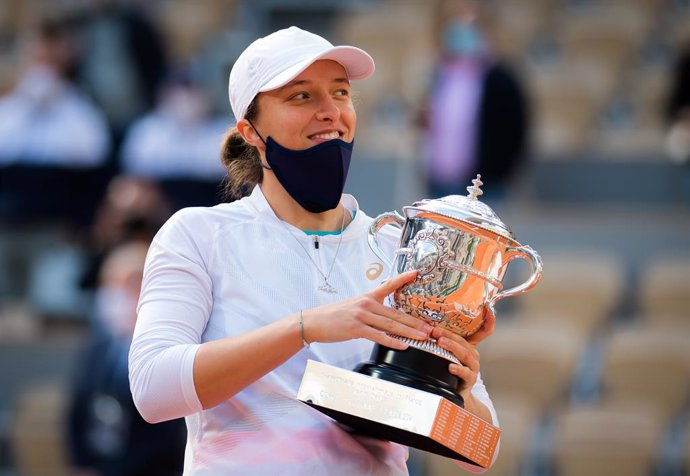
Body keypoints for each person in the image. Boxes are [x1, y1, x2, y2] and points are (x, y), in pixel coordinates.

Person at [129, 26, 498, 475]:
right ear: (250, 130)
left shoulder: (402, 248)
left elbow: (482, 451)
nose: (331, 112)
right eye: (301, 97)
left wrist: (457, 381)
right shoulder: (198, 234)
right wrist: (305, 328)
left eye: (340, 93)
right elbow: (152, 390)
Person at [68, 240, 186, 476]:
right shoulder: (100, 344)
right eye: (110, 285)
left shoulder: (175, 344)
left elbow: (172, 428)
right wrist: (82, 464)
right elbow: (77, 407)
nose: (116, 296)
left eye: (129, 284)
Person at [420, 0, 528, 200]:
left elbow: (516, 130)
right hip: (440, 182)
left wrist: (499, 173)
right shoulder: (441, 74)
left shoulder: (500, 79)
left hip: (484, 186)